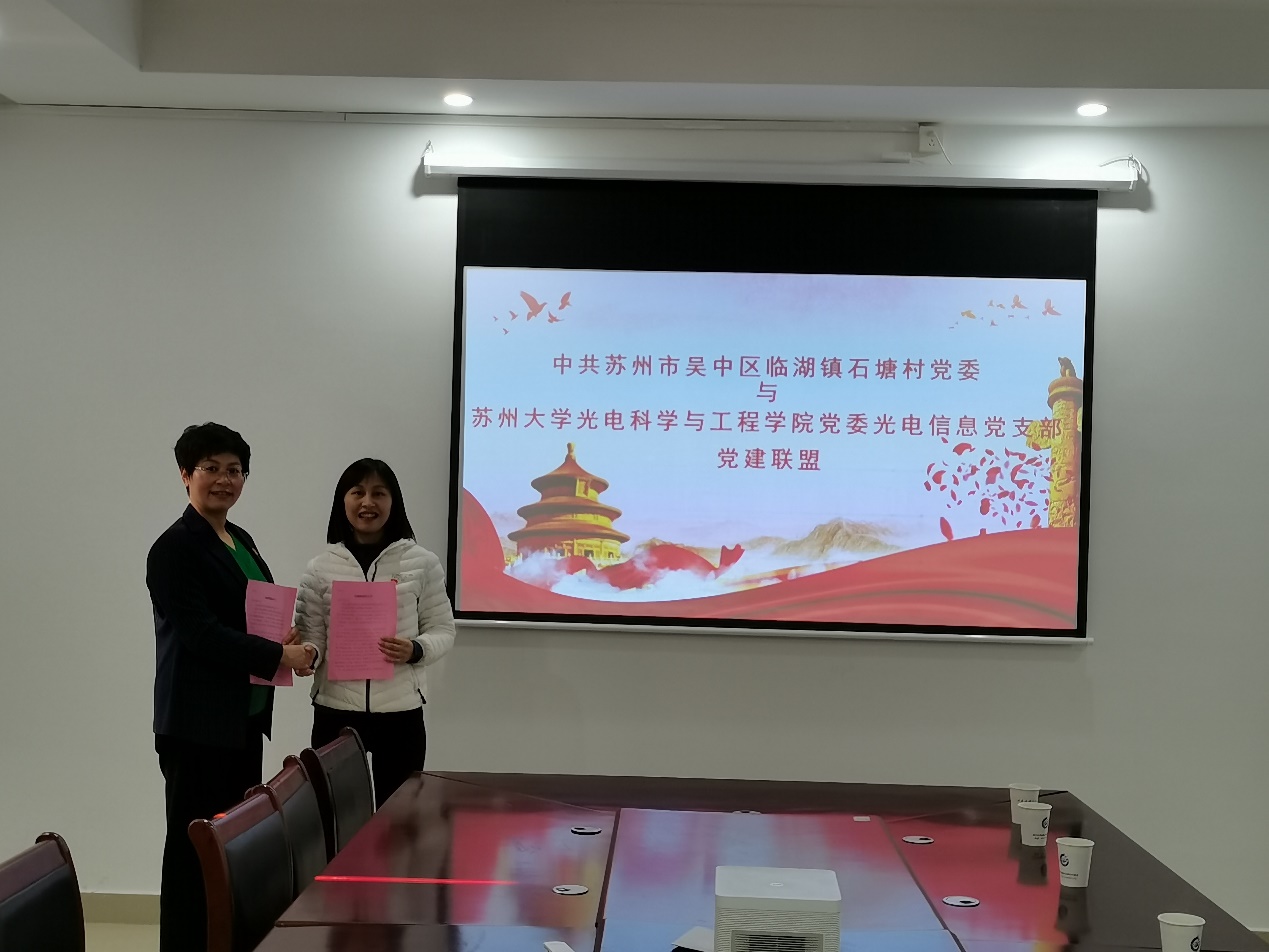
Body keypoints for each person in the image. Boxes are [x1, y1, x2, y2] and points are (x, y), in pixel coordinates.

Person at [147, 423, 315, 952]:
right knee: (192, 853)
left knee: (232, 846)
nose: (225, 479)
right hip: (197, 726)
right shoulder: (174, 548)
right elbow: (201, 634)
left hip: (242, 720)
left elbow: (246, 618)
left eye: (235, 470)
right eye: (211, 468)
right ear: (185, 474)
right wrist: (275, 655)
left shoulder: (240, 539)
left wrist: (282, 640)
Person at [297, 458, 456, 807]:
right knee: (335, 816)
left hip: (400, 714)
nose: (367, 502)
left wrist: (415, 649)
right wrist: (309, 654)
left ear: (393, 501)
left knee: (398, 820)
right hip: (335, 710)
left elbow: (443, 629)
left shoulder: (422, 563)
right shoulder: (319, 568)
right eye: (357, 492)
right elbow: (312, 636)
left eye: (379, 493)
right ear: (342, 501)